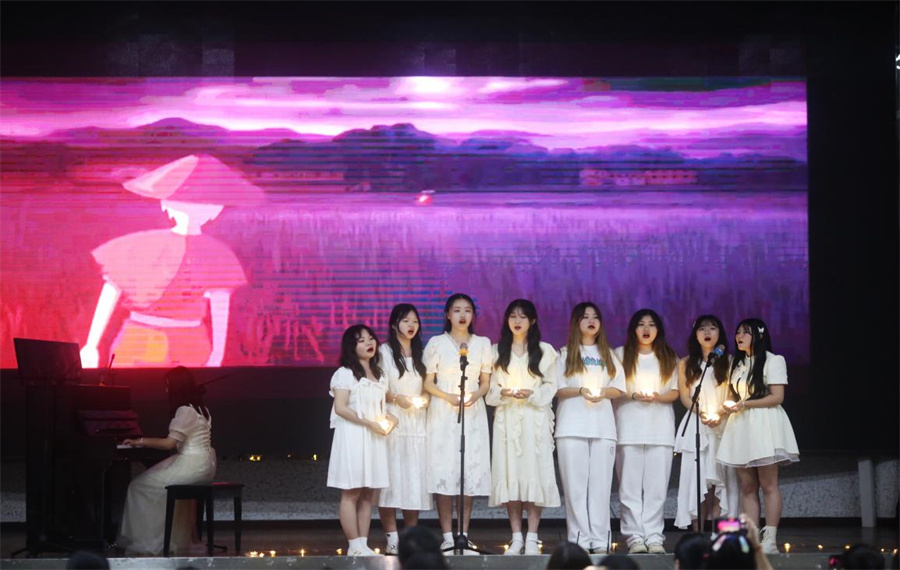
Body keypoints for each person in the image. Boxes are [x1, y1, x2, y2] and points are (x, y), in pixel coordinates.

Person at [80, 154, 263, 368]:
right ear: (166, 202)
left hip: (189, 343)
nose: (192, 209)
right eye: (184, 200)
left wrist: (218, 353)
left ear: (216, 209)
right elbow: (111, 289)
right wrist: (91, 345)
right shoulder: (140, 244)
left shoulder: (217, 254)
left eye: (202, 203)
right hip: (139, 340)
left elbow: (220, 304)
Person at [717, 318, 799, 554]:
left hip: (764, 422)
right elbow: (735, 395)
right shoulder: (738, 363)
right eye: (738, 332)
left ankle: (770, 538)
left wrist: (745, 404)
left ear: (759, 336)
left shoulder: (774, 360)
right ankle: (752, 538)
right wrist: (727, 407)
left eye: (746, 332)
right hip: (741, 425)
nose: (739, 336)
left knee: (768, 484)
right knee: (748, 485)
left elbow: (777, 397)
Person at [486, 299, 560, 555]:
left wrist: (533, 393)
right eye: (513, 316)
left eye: (523, 317)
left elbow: (551, 386)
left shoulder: (545, 351)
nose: (517, 321)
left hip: (534, 419)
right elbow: (490, 390)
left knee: (533, 473)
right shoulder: (496, 351)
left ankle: (532, 537)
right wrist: (504, 392)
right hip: (507, 419)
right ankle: (516, 536)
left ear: (532, 321)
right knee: (511, 474)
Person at [117, 366, 216, 556]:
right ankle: (170, 538)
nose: (166, 389)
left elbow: (169, 443)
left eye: (168, 385)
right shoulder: (202, 409)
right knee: (162, 488)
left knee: (138, 486)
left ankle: (148, 539)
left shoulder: (185, 411)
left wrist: (140, 441)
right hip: (206, 464)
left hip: (192, 464)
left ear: (176, 387)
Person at [422, 293, 492, 553]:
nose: (462, 315)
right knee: (445, 471)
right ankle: (447, 537)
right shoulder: (437, 343)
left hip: (472, 411)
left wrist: (475, 395)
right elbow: (428, 382)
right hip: (443, 410)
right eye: (457, 310)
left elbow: (485, 382)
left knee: (467, 472)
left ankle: (463, 533)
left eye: (467, 310)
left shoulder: (483, 343)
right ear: (448, 314)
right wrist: (448, 396)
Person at [555, 302, 625, 554]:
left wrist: (602, 392)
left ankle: (600, 539)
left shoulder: (610, 355)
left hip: (603, 428)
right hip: (571, 427)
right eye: (585, 317)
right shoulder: (564, 354)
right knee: (575, 489)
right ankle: (579, 540)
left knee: (600, 488)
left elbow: (620, 387)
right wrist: (582, 390)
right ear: (576, 323)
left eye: (595, 317)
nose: (591, 321)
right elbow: (558, 388)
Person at [613, 309, 680, 554]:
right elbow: (614, 388)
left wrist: (657, 397)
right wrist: (633, 395)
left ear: (658, 329)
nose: (646, 329)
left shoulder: (668, 356)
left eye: (651, 324)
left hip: (660, 429)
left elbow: (675, 391)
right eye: (641, 324)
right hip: (628, 428)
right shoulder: (621, 354)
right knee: (629, 487)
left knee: (656, 488)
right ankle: (634, 537)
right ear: (634, 329)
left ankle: (654, 536)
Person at [327, 324, 394, 557]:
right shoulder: (344, 373)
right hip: (353, 437)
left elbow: (377, 407)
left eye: (371, 338)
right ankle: (353, 544)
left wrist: (389, 418)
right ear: (351, 346)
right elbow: (341, 408)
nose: (369, 343)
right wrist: (369, 423)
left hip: (374, 438)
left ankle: (363, 545)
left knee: (368, 494)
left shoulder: (380, 375)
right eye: (361, 340)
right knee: (351, 492)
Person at [674, 315, 739, 531]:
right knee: (696, 480)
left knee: (721, 480)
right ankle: (698, 533)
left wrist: (719, 412)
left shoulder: (729, 361)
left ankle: (719, 533)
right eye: (702, 329)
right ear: (696, 334)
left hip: (722, 425)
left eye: (712, 328)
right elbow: (685, 396)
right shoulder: (686, 363)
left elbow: (734, 394)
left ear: (720, 333)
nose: (707, 332)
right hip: (697, 423)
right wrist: (700, 412)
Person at [377, 304, 432, 555]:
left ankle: (410, 537)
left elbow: (428, 387)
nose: (411, 325)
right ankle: (392, 539)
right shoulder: (384, 352)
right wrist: (396, 398)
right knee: (390, 481)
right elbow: (376, 386)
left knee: (413, 480)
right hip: (393, 420)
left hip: (417, 422)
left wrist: (425, 399)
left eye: (415, 321)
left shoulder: (423, 353)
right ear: (393, 324)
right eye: (406, 321)